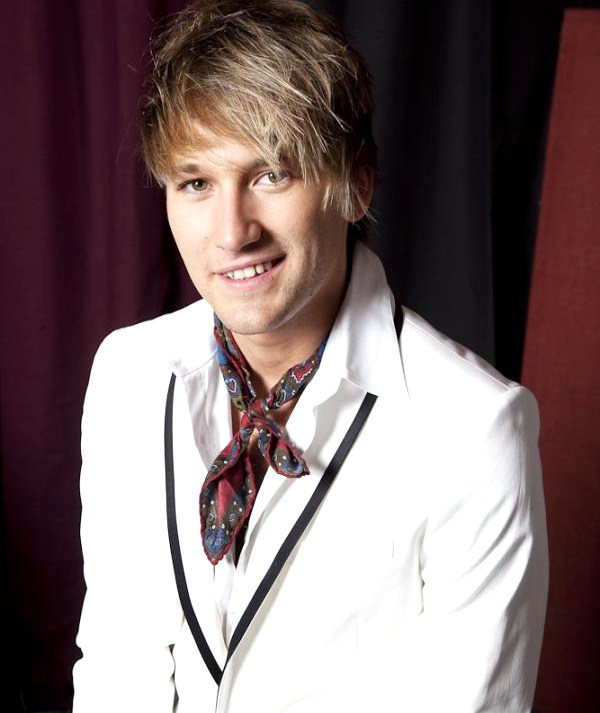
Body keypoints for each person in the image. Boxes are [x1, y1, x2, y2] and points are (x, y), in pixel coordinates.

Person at [71, 1, 548, 711]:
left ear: (356, 185)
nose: (231, 231)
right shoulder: (129, 373)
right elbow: (119, 665)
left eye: (272, 174)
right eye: (196, 183)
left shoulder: (474, 429)